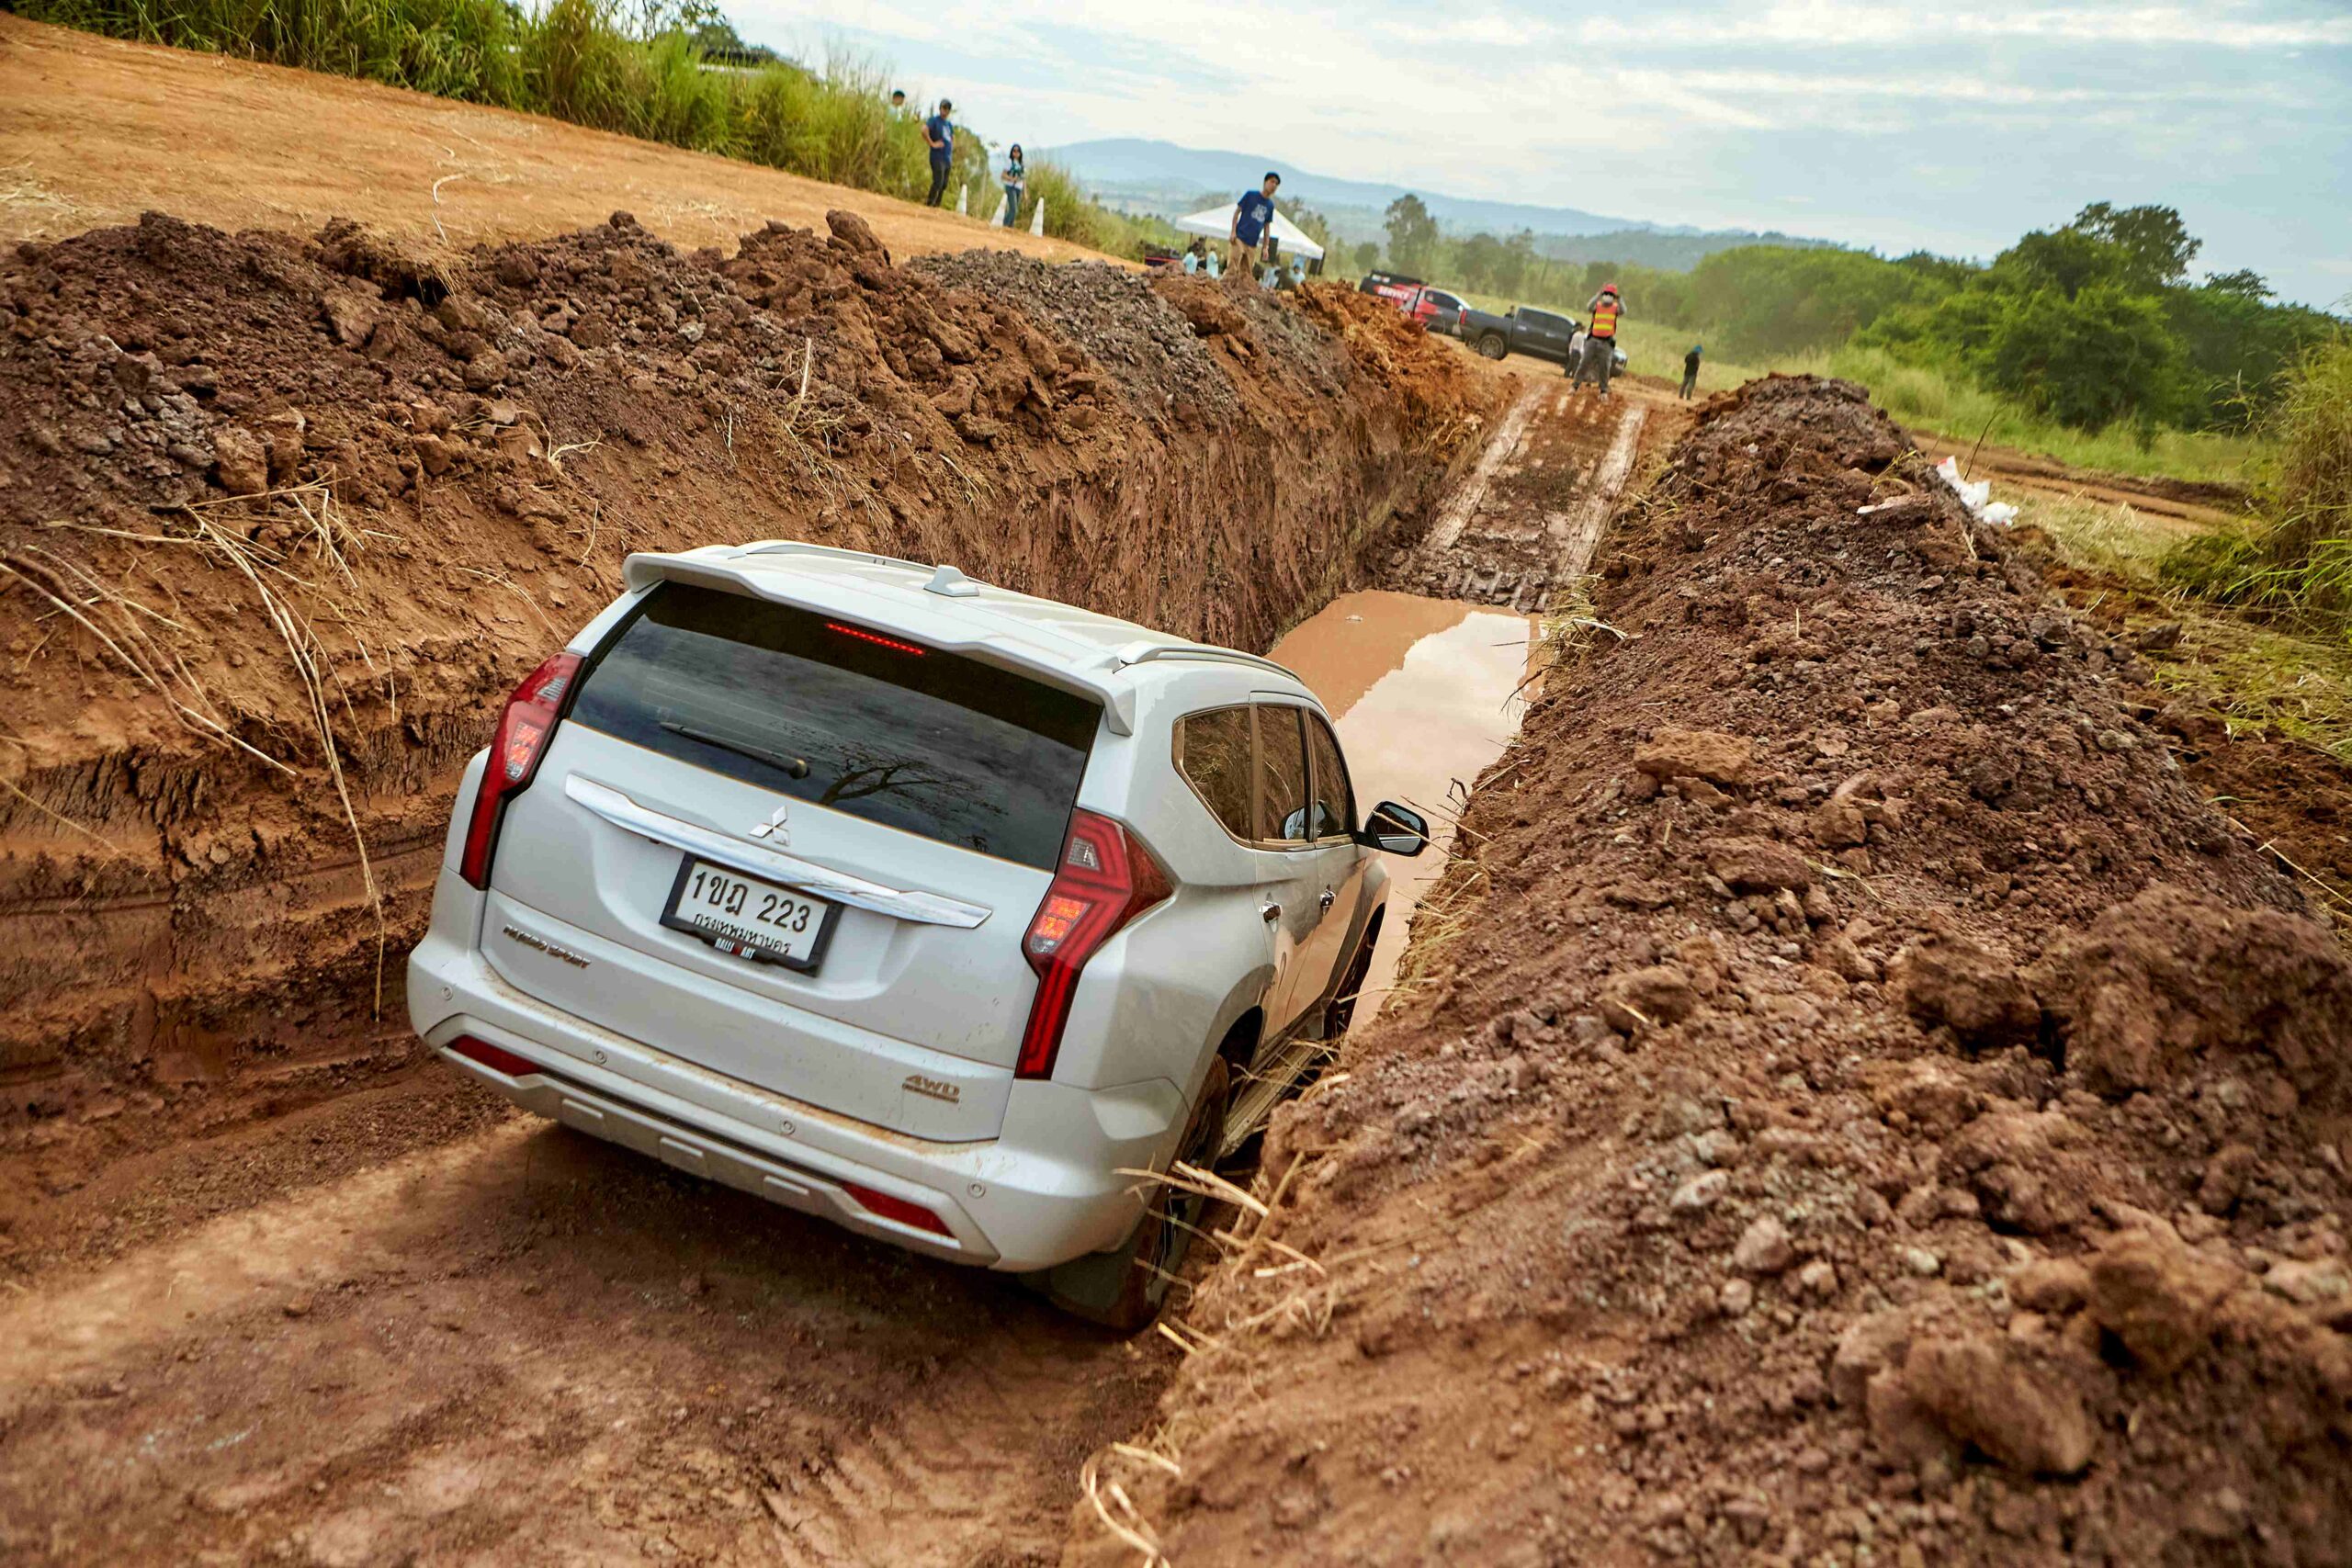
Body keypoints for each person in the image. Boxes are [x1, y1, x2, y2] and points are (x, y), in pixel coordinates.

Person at [1570, 282, 1624, 396]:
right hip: (1593, 340)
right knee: (1584, 363)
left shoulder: (1615, 308)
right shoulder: (1598, 306)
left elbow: (1623, 311)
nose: (1608, 296)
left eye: (1611, 294)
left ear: (1614, 296)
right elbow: (1589, 307)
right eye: (1606, 293)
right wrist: (1598, 295)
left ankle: (1603, 391)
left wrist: (1620, 300)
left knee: (1605, 367)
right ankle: (1575, 386)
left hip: (1606, 342)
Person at [1228, 172, 1279, 280]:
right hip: (1240, 237)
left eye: (1276, 184)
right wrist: (1233, 231)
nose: (1274, 185)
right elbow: (1237, 212)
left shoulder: (1270, 205)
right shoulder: (1250, 195)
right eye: (1272, 182)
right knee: (1232, 268)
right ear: (1265, 182)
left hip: (1252, 243)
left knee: (1246, 274)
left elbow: (1267, 227)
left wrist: (1265, 247)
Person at [922, 99, 955, 208]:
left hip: (947, 157)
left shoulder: (949, 124)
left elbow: (952, 137)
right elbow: (924, 130)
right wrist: (932, 143)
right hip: (937, 156)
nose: (945, 111)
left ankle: (937, 205)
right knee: (938, 181)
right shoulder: (934, 121)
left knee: (944, 184)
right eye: (944, 108)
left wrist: (951, 150)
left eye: (947, 109)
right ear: (940, 108)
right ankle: (929, 203)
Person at [1001, 144, 1025, 229]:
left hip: (1019, 188)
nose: (1016, 153)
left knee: (1014, 209)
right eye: (1014, 151)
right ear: (1012, 152)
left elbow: (1024, 179)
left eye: (1018, 151)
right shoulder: (1009, 162)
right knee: (1013, 208)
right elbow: (1003, 175)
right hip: (1011, 187)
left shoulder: (1022, 164)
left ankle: (1010, 226)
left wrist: (1025, 192)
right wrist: (1011, 179)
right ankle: (1005, 224)